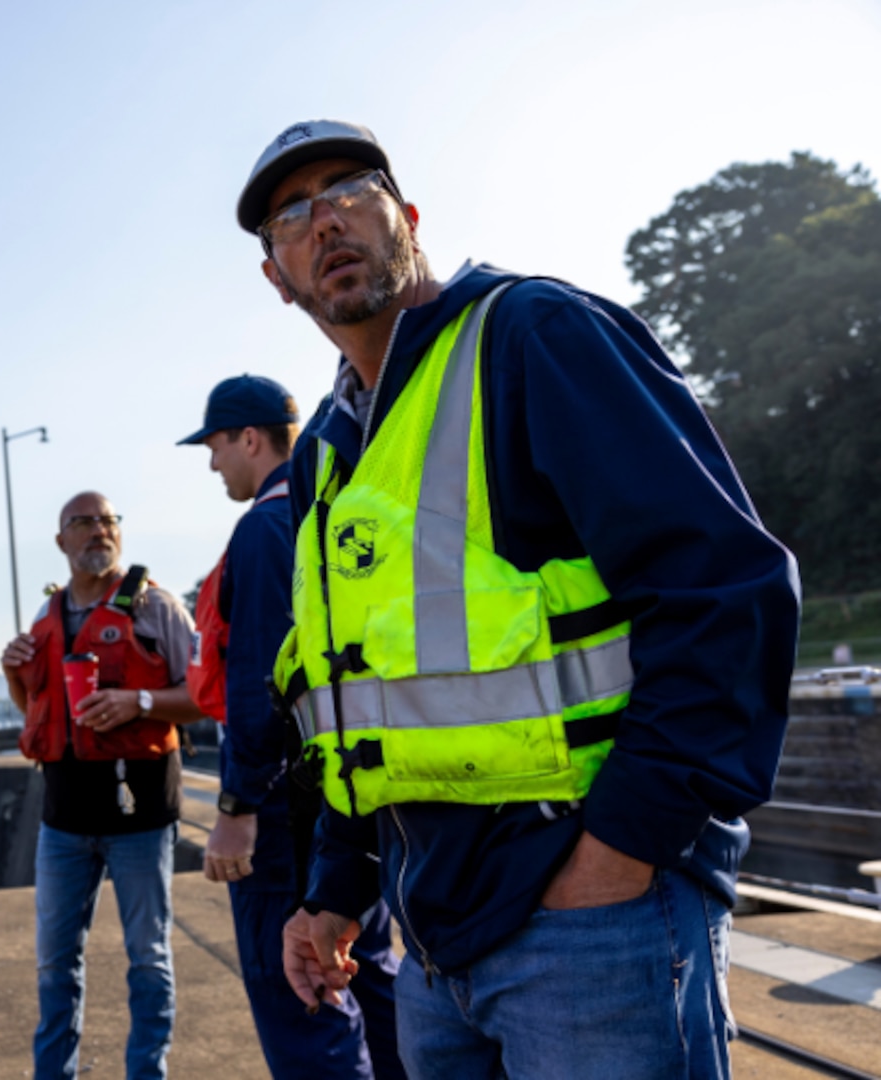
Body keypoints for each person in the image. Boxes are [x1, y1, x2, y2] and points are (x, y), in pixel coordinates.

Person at [236, 121, 799, 1078]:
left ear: (407, 217)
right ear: (276, 276)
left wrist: (620, 852)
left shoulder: (532, 336)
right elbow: (358, 703)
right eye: (292, 214)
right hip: (435, 944)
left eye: (349, 189)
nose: (324, 219)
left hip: (589, 923)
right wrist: (339, 890)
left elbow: (724, 593)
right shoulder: (331, 450)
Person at [180, 376, 404, 1080]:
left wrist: (235, 808)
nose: (213, 463)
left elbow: (259, 684)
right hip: (349, 800)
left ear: (248, 438)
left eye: (214, 446)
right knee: (367, 977)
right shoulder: (332, 512)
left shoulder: (262, 529)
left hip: (282, 816)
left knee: (301, 997)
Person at [0, 492, 203, 1080]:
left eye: (107, 521)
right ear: (61, 541)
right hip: (63, 819)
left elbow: (202, 697)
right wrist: (15, 671)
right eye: (82, 523)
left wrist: (137, 701)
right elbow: (34, 709)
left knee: (149, 958)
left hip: (140, 814)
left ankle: (147, 1073)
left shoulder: (156, 608)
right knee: (54, 965)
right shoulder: (45, 619)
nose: (98, 531)